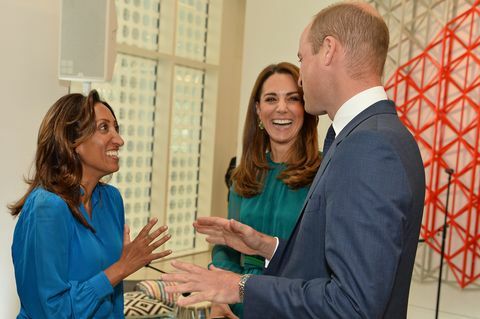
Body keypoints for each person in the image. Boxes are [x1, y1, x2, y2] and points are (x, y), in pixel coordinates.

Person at [161, 2, 426, 319]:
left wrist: (241, 286)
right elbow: (326, 264)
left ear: (328, 50)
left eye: (303, 58)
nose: (300, 79)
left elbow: (352, 305)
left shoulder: (368, 147)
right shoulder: (374, 135)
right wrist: (265, 245)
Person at [10, 90, 172, 318]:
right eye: (104, 128)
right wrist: (121, 267)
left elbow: (113, 300)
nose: (119, 139)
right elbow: (53, 311)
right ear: (72, 141)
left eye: (116, 128)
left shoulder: (111, 200)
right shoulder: (47, 207)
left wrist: (119, 266)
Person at [209, 62, 321, 318]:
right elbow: (226, 247)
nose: (281, 108)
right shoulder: (243, 175)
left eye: (293, 99)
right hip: (239, 305)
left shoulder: (324, 174)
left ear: (306, 109)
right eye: (271, 99)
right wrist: (219, 299)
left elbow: (321, 261)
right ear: (259, 110)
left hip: (294, 306)